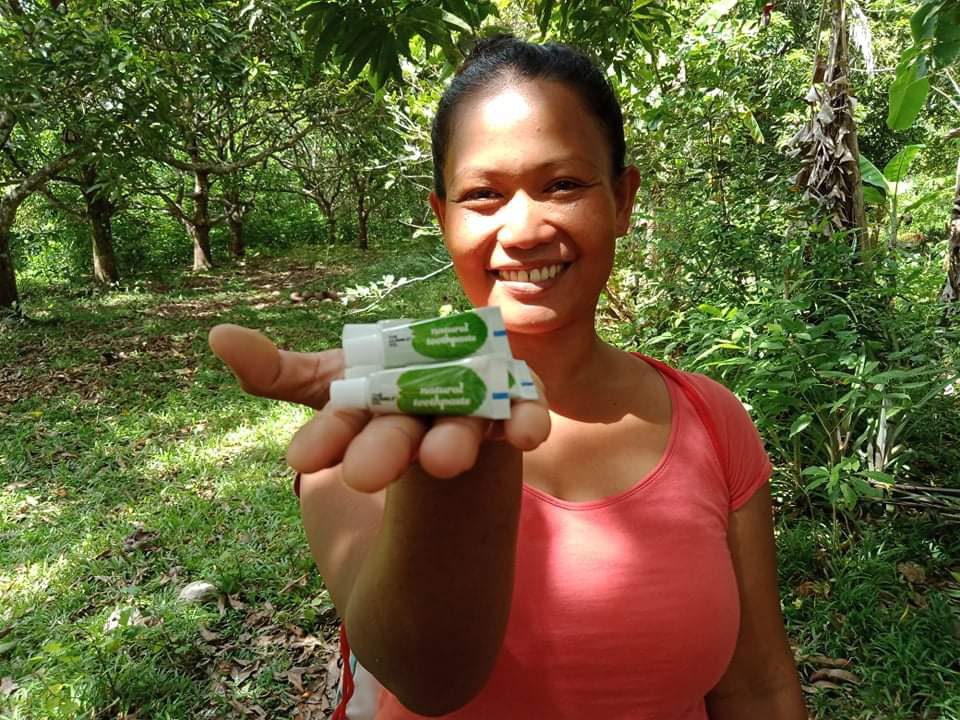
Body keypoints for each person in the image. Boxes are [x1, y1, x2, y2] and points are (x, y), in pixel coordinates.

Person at [209, 35, 809, 720]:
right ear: (443, 218)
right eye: (483, 194)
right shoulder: (372, 424)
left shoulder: (712, 420)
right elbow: (428, 678)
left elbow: (756, 685)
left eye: (562, 184)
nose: (522, 229)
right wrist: (460, 471)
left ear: (622, 199)